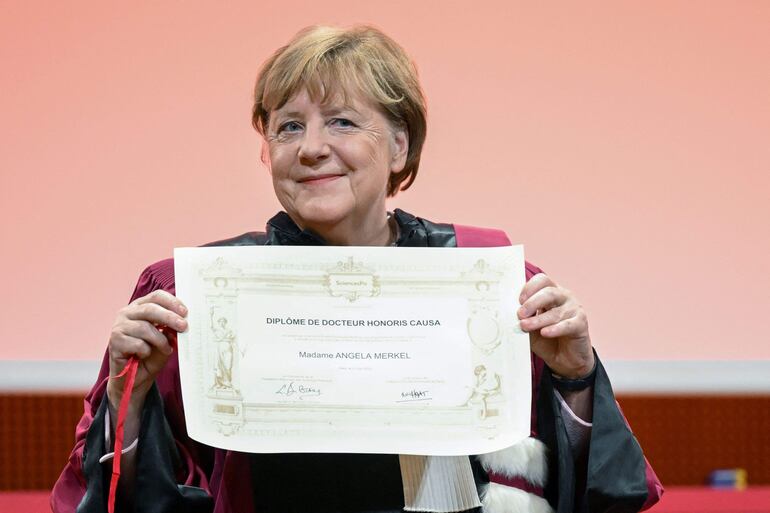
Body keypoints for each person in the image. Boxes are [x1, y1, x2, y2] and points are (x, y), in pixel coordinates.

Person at [51, 25, 663, 513]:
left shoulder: (487, 283)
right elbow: (136, 496)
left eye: (342, 121)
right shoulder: (195, 296)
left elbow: (587, 488)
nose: (311, 146)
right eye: (289, 126)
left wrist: (576, 379)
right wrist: (125, 402)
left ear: (400, 145)